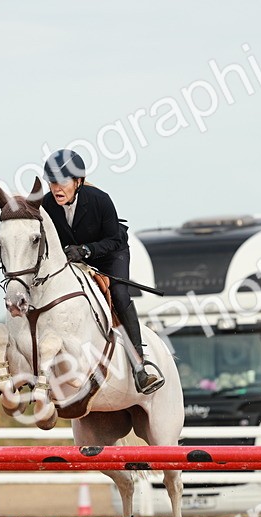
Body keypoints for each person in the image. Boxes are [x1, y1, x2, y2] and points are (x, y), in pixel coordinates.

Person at [39, 149, 163, 394]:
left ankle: (140, 366)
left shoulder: (99, 200)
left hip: (110, 254)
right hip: (72, 258)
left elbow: (114, 240)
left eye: (62, 182)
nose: (56, 188)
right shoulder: (47, 205)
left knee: (119, 295)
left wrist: (85, 250)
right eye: (52, 182)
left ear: (78, 182)